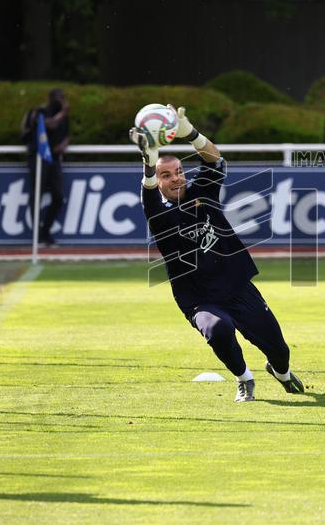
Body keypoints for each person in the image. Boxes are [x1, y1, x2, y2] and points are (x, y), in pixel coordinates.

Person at [130, 105, 305, 402]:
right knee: (219, 329)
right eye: (166, 175)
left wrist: (191, 134)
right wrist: (148, 163)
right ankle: (244, 379)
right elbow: (147, 198)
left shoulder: (202, 193)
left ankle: (281, 373)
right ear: (158, 182)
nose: (176, 179)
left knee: (280, 350)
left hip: (236, 286)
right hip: (199, 298)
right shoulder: (159, 214)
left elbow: (216, 161)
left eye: (179, 172)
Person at [21, 88, 70, 245]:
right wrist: (63, 111)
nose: (59, 101)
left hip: (54, 159)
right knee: (37, 195)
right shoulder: (39, 112)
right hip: (38, 158)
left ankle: (45, 232)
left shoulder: (65, 116)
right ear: (49, 98)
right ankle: (37, 235)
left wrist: (63, 145)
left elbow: (67, 135)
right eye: (56, 98)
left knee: (58, 196)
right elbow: (50, 125)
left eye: (61, 98)